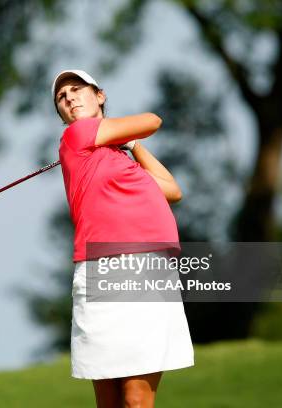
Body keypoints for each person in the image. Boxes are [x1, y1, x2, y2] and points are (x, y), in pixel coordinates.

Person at [52, 69, 195, 408]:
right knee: (110, 402)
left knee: (135, 399)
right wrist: (127, 135)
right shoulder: (77, 135)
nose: (70, 97)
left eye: (77, 89)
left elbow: (172, 190)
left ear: (99, 95)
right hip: (100, 269)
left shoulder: (122, 162)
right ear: (61, 113)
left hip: (146, 268)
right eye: (61, 97)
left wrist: (129, 146)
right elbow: (152, 120)